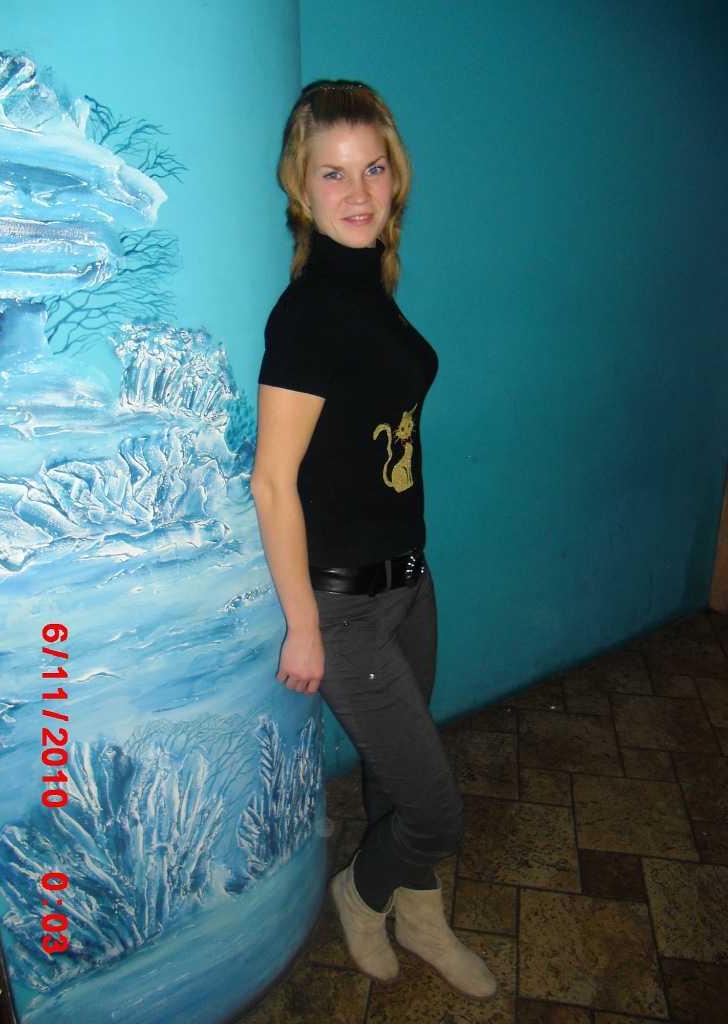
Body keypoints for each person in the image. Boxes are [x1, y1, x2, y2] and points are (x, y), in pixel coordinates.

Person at [250, 79, 497, 1001]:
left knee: (400, 783)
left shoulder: (371, 288)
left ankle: (420, 916)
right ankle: (361, 896)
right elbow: (272, 483)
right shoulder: (310, 310)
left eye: (374, 169)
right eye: (333, 173)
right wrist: (303, 625)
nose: (358, 192)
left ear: (396, 177)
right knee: (436, 810)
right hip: (345, 606)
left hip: (409, 585)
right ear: (301, 187)